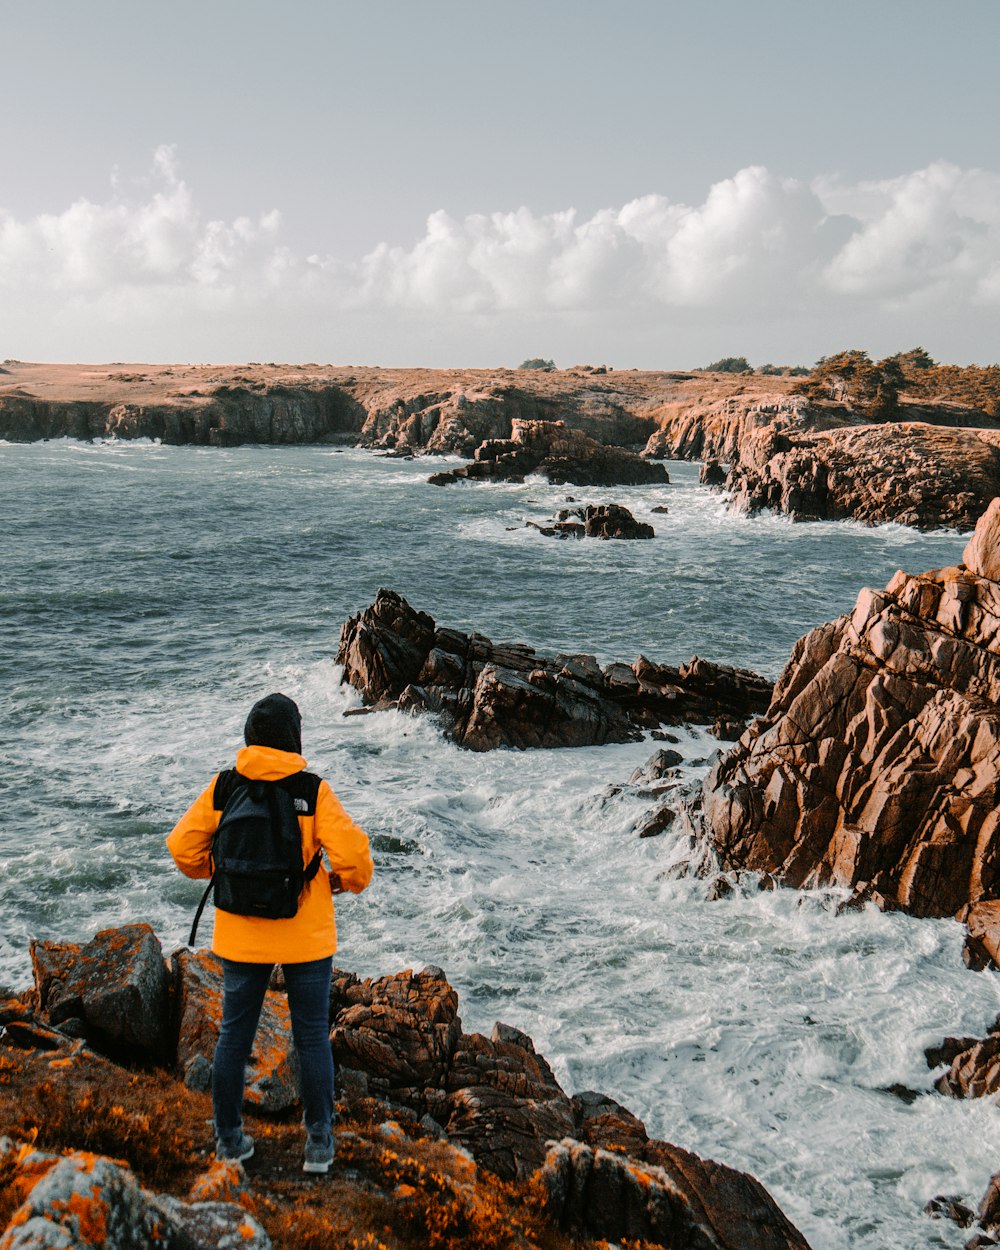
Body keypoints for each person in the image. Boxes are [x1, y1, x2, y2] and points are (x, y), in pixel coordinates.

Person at [166, 692, 372, 1174]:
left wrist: (221, 870)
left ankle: (229, 1139)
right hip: (306, 936)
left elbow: (181, 848)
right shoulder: (312, 790)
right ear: (293, 737)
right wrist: (339, 882)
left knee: (234, 1037)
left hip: (241, 936)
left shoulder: (223, 788)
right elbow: (357, 862)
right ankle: (319, 1143)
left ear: (250, 737)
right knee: (312, 1037)